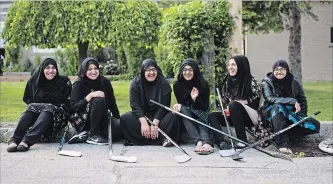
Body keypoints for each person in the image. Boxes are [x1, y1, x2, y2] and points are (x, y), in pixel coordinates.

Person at [7, 58, 72, 152]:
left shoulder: (63, 81)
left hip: (57, 119)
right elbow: (29, 101)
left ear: (57, 69)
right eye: (47, 68)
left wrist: (50, 107)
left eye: (53, 68)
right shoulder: (35, 82)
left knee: (48, 109)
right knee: (31, 108)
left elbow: (68, 104)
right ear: (42, 69)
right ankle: (14, 140)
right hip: (39, 119)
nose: (50, 71)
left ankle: (27, 141)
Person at [261, 59, 320, 154]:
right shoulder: (267, 82)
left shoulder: (294, 82)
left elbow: (302, 100)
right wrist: (291, 101)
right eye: (276, 69)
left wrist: (302, 115)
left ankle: (279, 135)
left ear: (287, 70)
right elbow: (270, 99)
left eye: (282, 69)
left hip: (290, 114)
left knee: (314, 125)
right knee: (278, 107)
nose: (279, 72)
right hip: (272, 114)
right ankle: (282, 144)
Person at [120, 59, 181, 146]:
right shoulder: (135, 83)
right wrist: (144, 123)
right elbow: (135, 105)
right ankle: (160, 138)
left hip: (160, 118)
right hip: (143, 116)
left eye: (154, 69)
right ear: (143, 71)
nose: (151, 72)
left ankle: (160, 138)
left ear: (157, 70)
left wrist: (155, 124)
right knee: (125, 118)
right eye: (148, 70)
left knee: (174, 116)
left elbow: (164, 106)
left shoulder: (164, 83)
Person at [208, 55, 262, 149]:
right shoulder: (227, 82)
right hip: (233, 113)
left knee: (234, 105)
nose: (230, 67)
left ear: (241, 66)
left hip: (250, 116)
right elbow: (226, 102)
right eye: (229, 65)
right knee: (212, 115)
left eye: (233, 65)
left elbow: (256, 103)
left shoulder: (251, 81)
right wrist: (227, 109)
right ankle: (221, 142)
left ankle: (242, 141)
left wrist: (241, 103)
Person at [69, 57, 121, 145]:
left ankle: (86, 135)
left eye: (96, 68)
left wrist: (118, 119)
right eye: (89, 69)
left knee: (119, 132)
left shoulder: (105, 82)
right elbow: (74, 108)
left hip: (102, 118)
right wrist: (90, 96)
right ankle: (93, 136)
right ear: (84, 70)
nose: (93, 72)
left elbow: (112, 103)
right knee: (99, 100)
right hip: (83, 120)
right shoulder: (79, 84)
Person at [173, 58, 213, 155]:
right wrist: (178, 106)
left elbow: (204, 107)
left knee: (200, 119)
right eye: (185, 70)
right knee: (183, 109)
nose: (187, 72)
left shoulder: (203, 84)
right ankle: (198, 141)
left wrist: (195, 99)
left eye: (190, 70)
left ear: (195, 71)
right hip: (187, 113)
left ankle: (207, 143)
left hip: (201, 112)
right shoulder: (177, 85)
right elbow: (182, 104)